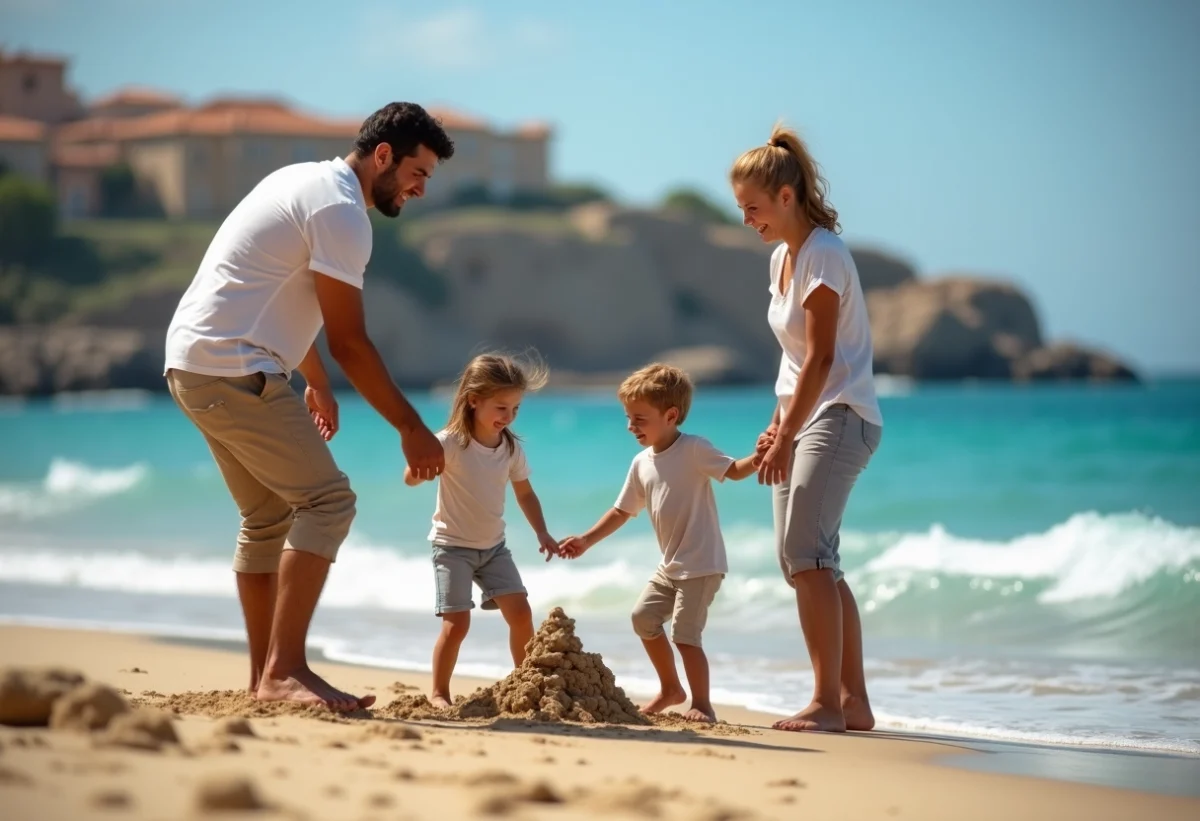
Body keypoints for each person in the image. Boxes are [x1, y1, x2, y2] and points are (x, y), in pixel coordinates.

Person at [163, 102, 455, 712]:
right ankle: (286, 670)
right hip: (235, 368)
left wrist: (312, 377)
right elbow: (351, 341)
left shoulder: (300, 179)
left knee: (268, 517)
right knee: (327, 502)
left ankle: (263, 679)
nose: (420, 189)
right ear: (383, 156)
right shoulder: (344, 213)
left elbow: (270, 293)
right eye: (417, 173)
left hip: (195, 363)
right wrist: (411, 427)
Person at [730, 123, 884, 733]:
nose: (748, 220)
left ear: (787, 196)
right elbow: (793, 361)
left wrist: (791, 432)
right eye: (742, 209)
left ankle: (826, 704)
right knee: (806, 561)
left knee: (808, 556)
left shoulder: (824, 253)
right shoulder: (782, 258)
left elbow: (822, 359)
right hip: (804, 414)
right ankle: (854, 703)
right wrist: (776, 425)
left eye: (754, 208)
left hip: (842, 415)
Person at [557, 364, 761, 723]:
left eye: (639, 418)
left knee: (685, 636)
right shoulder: (641, 463)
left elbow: (734, 471)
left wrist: (760, 457)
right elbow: (622, 511)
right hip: (670, 566)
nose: (630, 426)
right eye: (628, 418)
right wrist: (587, 540)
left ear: (671, 415)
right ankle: (671, 689)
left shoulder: (695, 449)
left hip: (701, 565)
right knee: (643, 618)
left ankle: (702, 704)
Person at [405, 352, 557, 710]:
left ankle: (525, 683)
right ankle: (439, 692)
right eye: (502, 408)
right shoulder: (451, 443)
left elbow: (526, 494)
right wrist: (417, 472)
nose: (509, 417)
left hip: (493, 549)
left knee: (520, 613)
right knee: (457, 625)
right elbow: (412, 475)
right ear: (474, 400)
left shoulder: (510, 448)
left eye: (516, 409)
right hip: (451, 548)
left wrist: (542, 533)